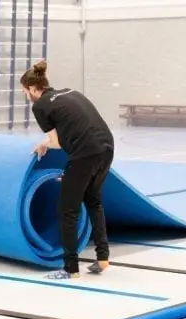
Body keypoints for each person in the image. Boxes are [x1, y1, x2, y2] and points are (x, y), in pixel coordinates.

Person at [21, 60, 115, 280]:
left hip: (85, 153)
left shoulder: (40, 105)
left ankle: (70, 268)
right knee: (93, 200)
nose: (27, 97)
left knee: (67, 210)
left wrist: (45, 142)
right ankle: (102, 258)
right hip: (106, 146)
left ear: (33, 89)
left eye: (26, 92)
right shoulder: (70, 92)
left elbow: (58, 142)